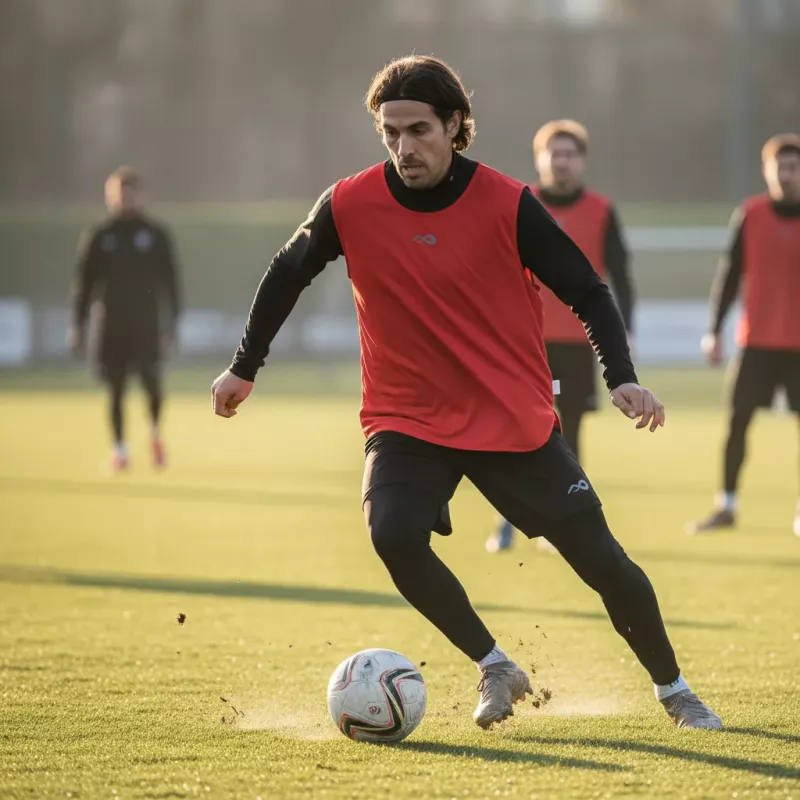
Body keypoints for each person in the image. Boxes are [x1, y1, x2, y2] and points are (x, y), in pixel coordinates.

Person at [212, 56, 721, 730]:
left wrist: (620, 374)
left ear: (455, 125)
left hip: (510, 419)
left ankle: (674, 689)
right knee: (392, 534)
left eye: (418, 129)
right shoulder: (349, 202)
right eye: (389, 132)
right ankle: (493, 664)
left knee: (605, 565)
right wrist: (245, 365)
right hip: (407, 418)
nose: (403, 147)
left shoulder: (509, 203)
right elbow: (286, 272)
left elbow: (587, 289)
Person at [487, 119, 634, 553]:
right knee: (516, 429)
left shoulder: (602, 211)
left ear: (582, 161)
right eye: (554, 153)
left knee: (569, 434)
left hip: (577, 344)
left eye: (569, 153)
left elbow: (620, 279)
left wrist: (626, 336)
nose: (561, 161)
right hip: (525, 342)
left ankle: (568, 523)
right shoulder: (519, 204)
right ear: (539, 158)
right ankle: (506, 523)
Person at [689, 133, 800, 536]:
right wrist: (714, 331)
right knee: (737, 425)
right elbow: (730, 274)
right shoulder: (751, 214)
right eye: (779, 168)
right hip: (756, 344)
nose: (786, 175)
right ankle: (727, 506)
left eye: (793, 167)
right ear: (766, 171)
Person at [69, 167, 181, 472]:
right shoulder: (99, 235)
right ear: (110, 196)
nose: (124, 199)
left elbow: (171, 283)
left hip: (146, 323)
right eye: (118, 193)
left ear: (140, 195)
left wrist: (171, 324)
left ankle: (155, 433)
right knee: (114, 387)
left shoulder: (156, 235)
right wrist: (77, 324)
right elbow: (84, 283)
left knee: (151, 382)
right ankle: (119, 449)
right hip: (110, 324)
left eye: (130, 193)